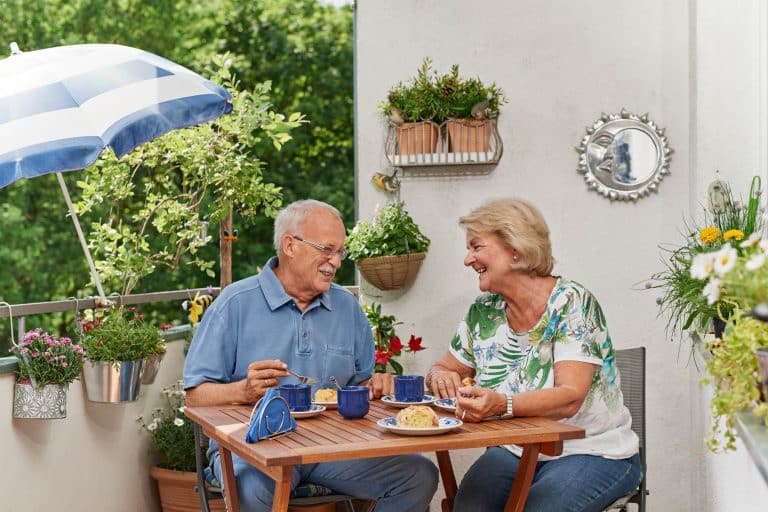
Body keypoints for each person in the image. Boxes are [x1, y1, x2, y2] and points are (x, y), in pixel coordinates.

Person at [184, 199, 438, 512]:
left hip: (332, 448)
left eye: (341, 252)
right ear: (290, 246)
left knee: (418, 475)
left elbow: (360, 384)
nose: (336, 262)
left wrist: (375, 385)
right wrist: (242, 391)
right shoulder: (235, 303)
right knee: (251, 488)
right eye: (327, 249)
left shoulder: (347, 307)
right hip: (253, 447)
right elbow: (194, 395)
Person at [426, 198, 641, 512]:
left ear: (516, 250)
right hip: (515, 449)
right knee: (469, 508)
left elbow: (569, 398)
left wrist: (502, 405)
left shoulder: (571, 303)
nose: (467, 259)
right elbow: (447, 367)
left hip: (591, 450)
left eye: (476, 247)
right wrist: (441, 375)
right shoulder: (483, 311)